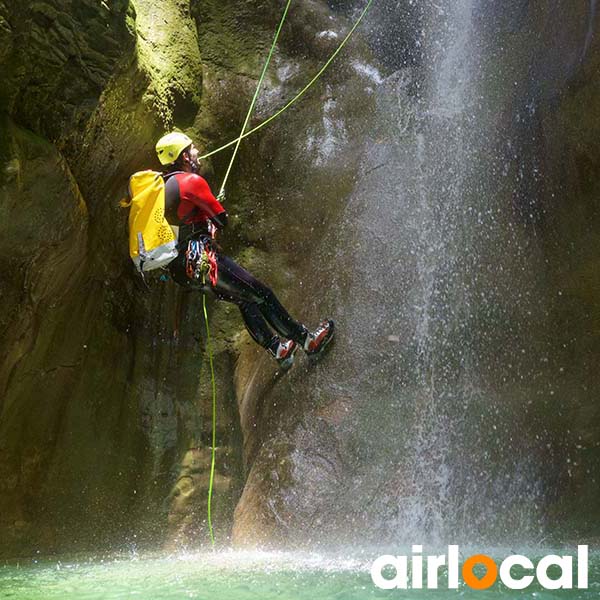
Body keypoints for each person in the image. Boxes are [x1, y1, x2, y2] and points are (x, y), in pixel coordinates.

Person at [155, 131, 334, 370]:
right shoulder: (191, 182)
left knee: (245, 299)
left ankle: (277, 349)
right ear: (184, 156)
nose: (197, 152)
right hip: (202, 261)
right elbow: (221, 220)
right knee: (262, 293)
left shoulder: (163, 188)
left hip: (183, 271)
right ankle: (307, 341)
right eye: (192, 148)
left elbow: (182, 226)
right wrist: (211, 217)